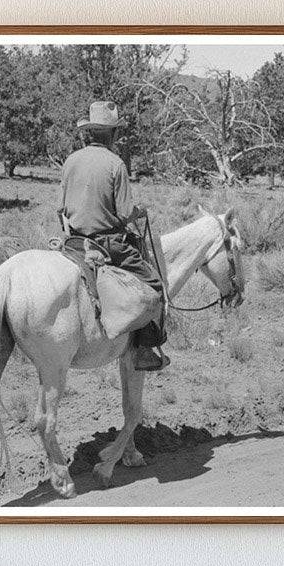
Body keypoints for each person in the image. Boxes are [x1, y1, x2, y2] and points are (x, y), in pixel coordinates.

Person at [60, 100, 169, 371]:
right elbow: (123, 214)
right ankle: (144, 349)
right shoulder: (115, 164)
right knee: (154, 286)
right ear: (114, 134)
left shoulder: (71, 161)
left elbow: (60, 209)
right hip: (110, 244)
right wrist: (139, 212)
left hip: (73, 242)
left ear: (89, 132)